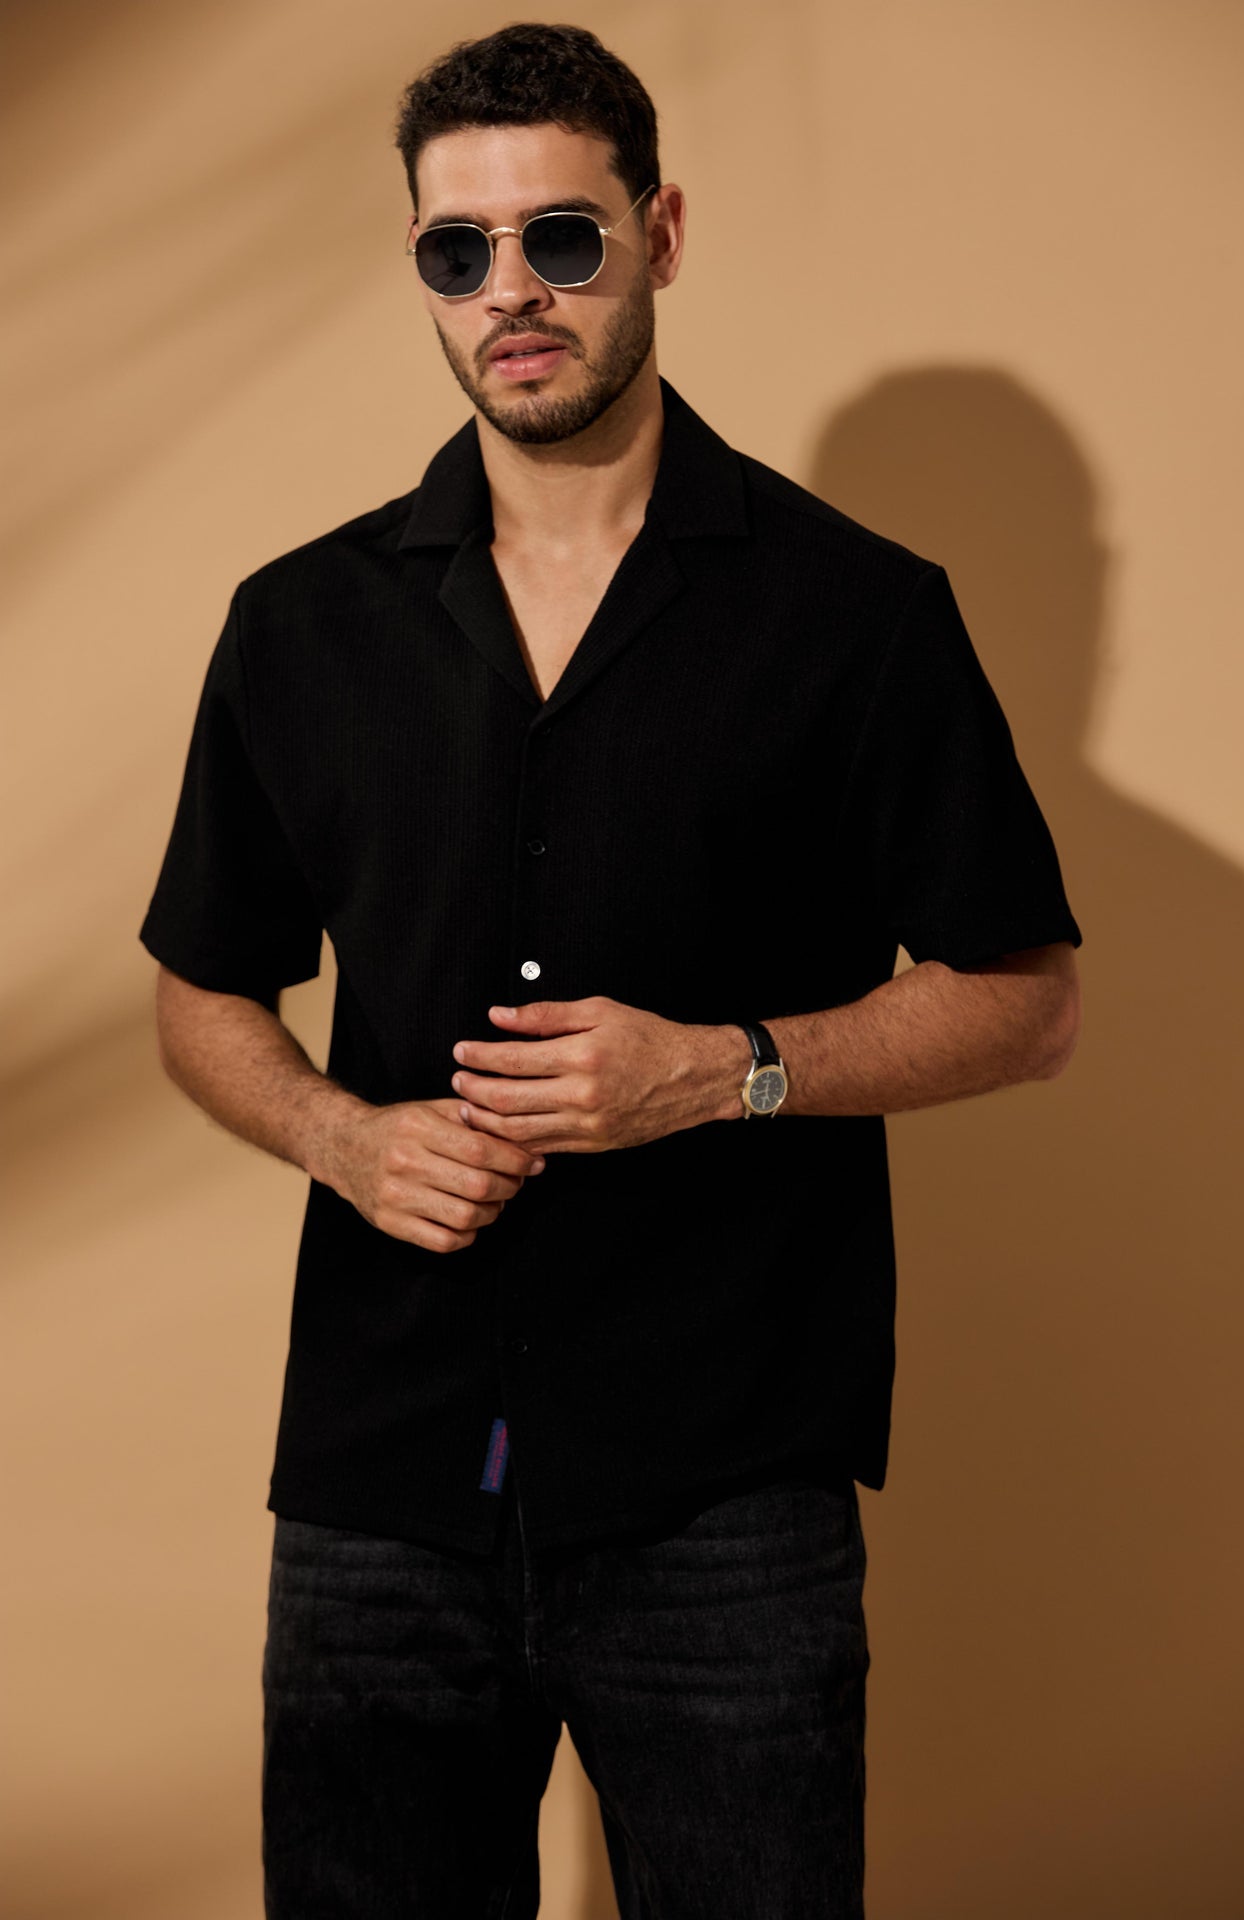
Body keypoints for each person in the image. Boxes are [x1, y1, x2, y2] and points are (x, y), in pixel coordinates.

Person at [138, 22, 1083, 1919]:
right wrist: (338, 1138)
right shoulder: (299, 623)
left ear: (658, 234)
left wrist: (724, 1069)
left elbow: (1028, 995)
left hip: (724, 1490)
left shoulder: (859, 614)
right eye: (457, 249)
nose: (511, 292)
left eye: (559, 239)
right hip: (381, 1490)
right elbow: (203, 989)